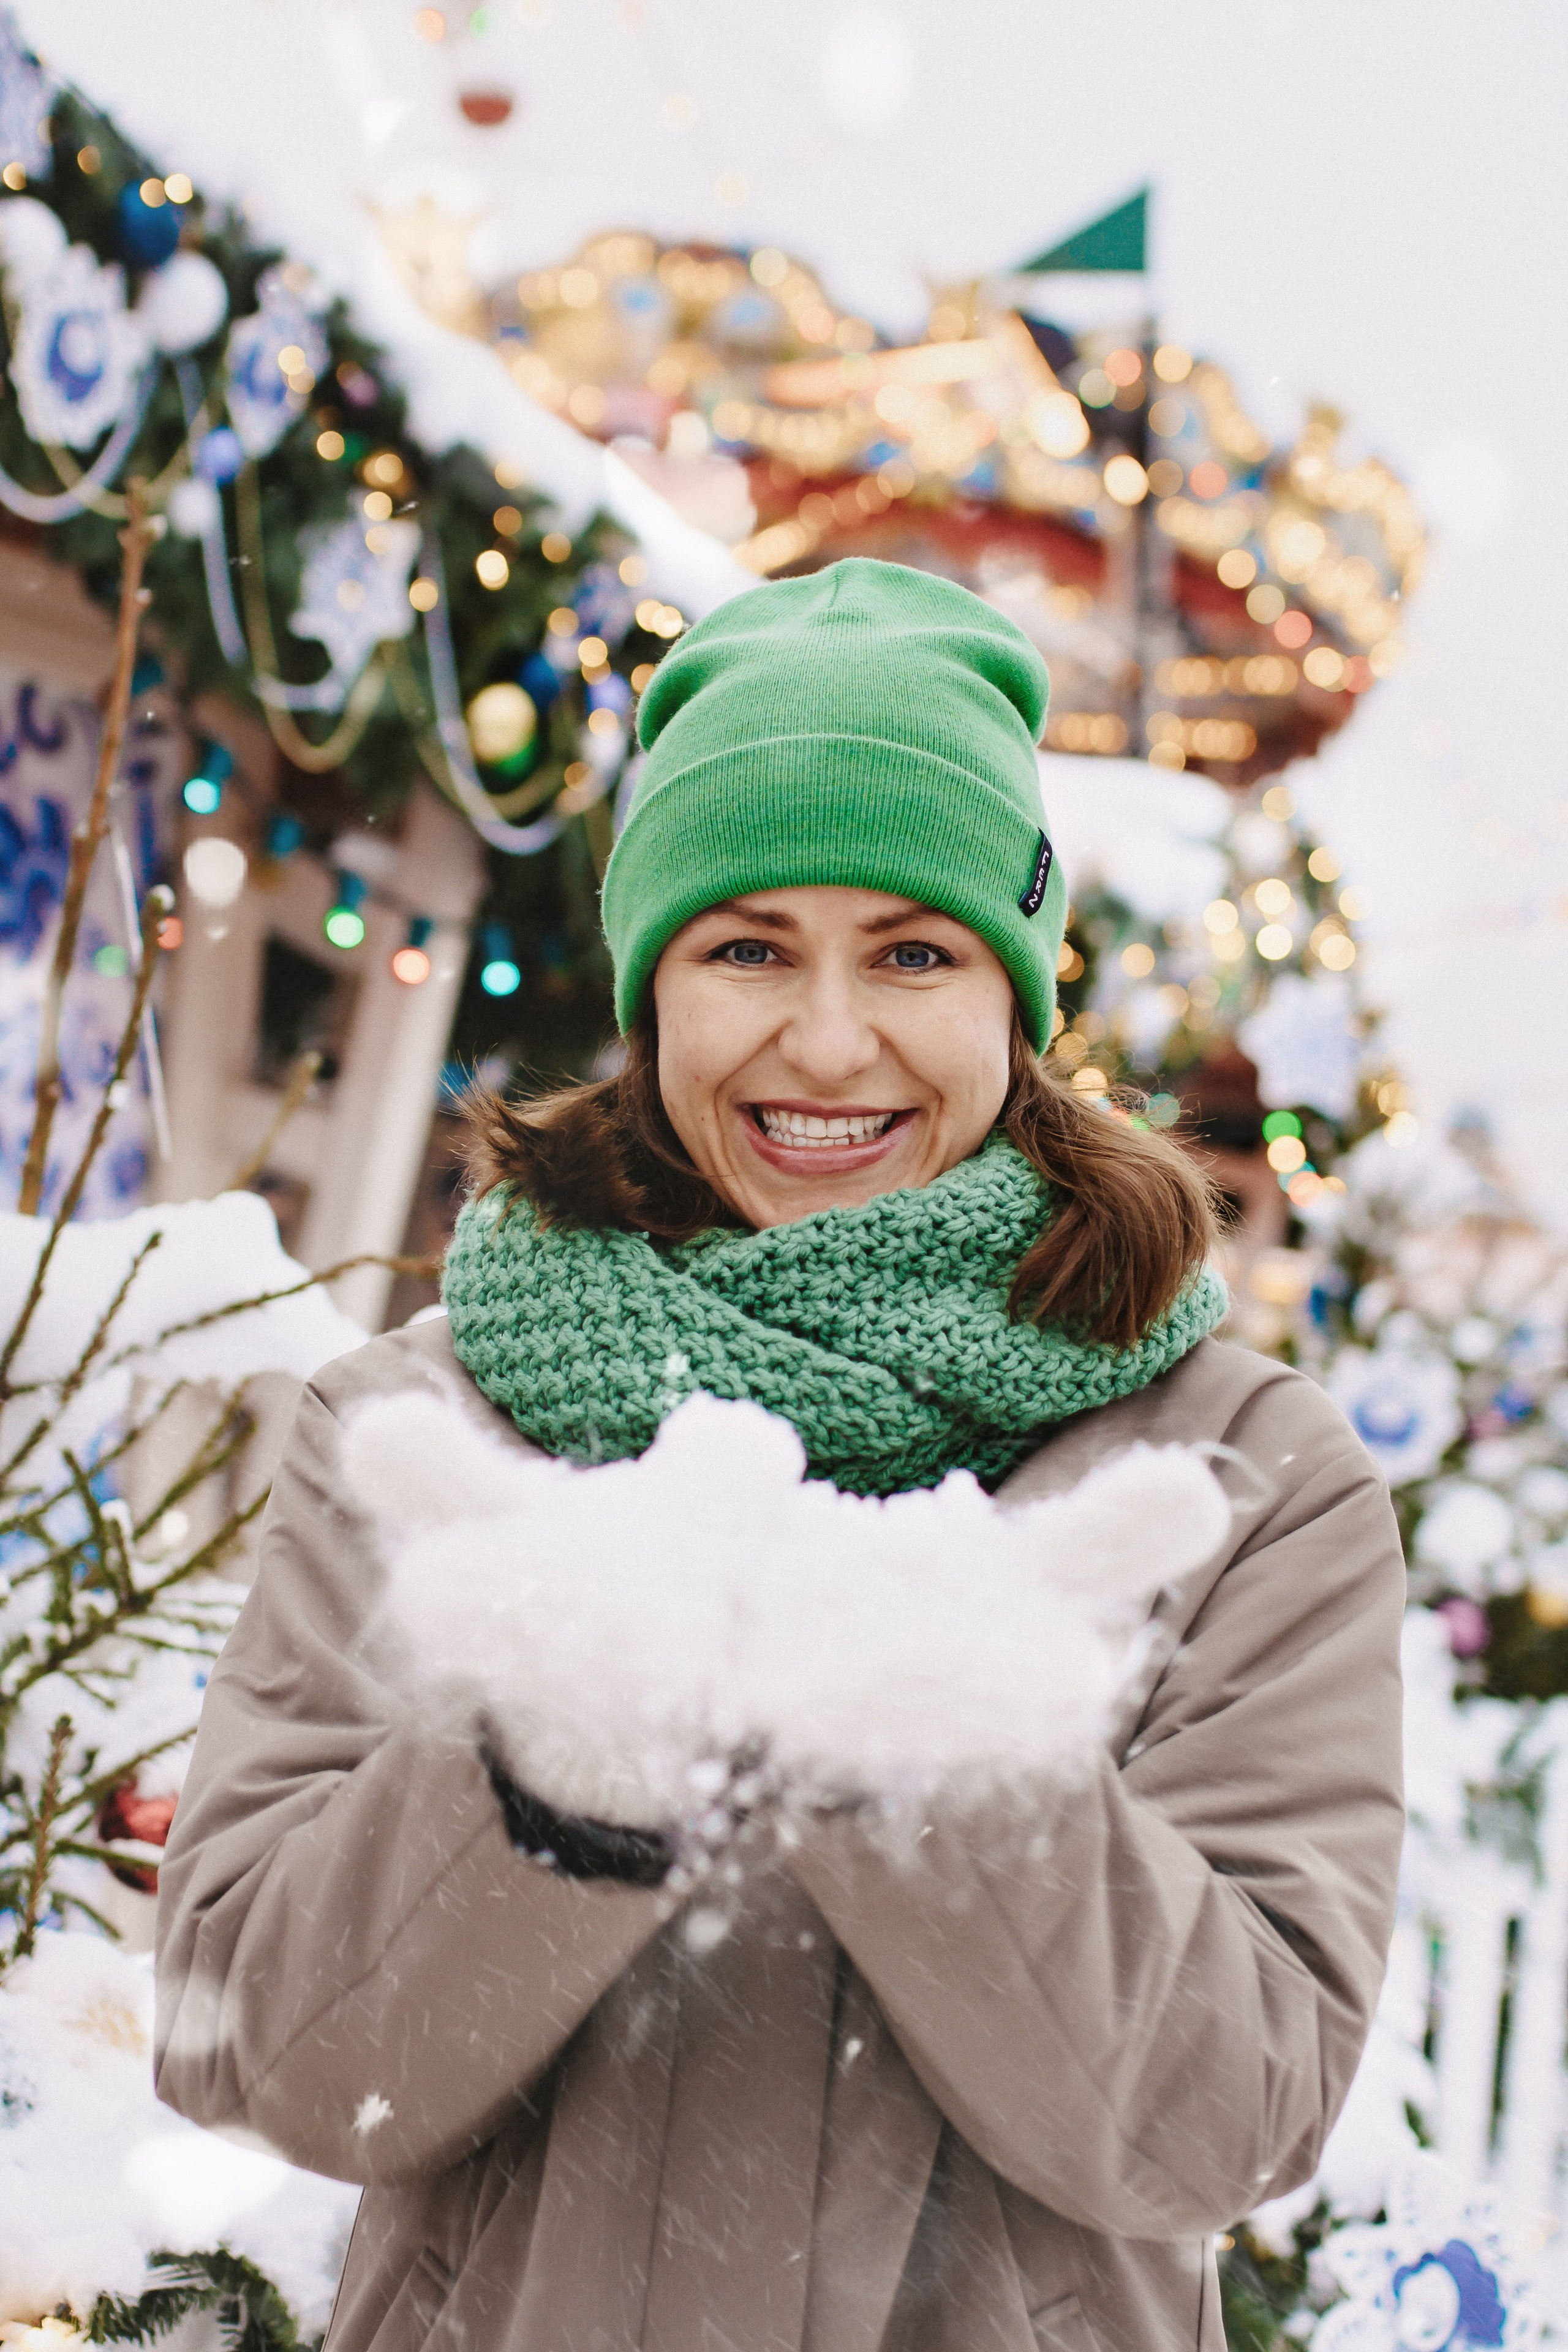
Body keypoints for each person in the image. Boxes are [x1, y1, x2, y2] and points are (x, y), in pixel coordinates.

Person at [155, 560, 1404, 2352]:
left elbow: (1231, 2117)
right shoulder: (423, 1438)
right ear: (654, 992)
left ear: (1020, 997)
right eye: (747, 946)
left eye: (914, 950)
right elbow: (258, 2053)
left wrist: (967, 1793)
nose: (829, 1041)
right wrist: (546, 1790)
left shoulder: (1240, 1483)